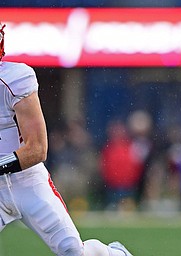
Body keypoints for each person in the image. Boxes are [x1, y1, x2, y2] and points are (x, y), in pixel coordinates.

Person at [0, 23, 133, 256]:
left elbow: (37, 150)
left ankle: (114, 254)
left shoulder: (15, 78)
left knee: (72, 251)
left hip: (27, 182)